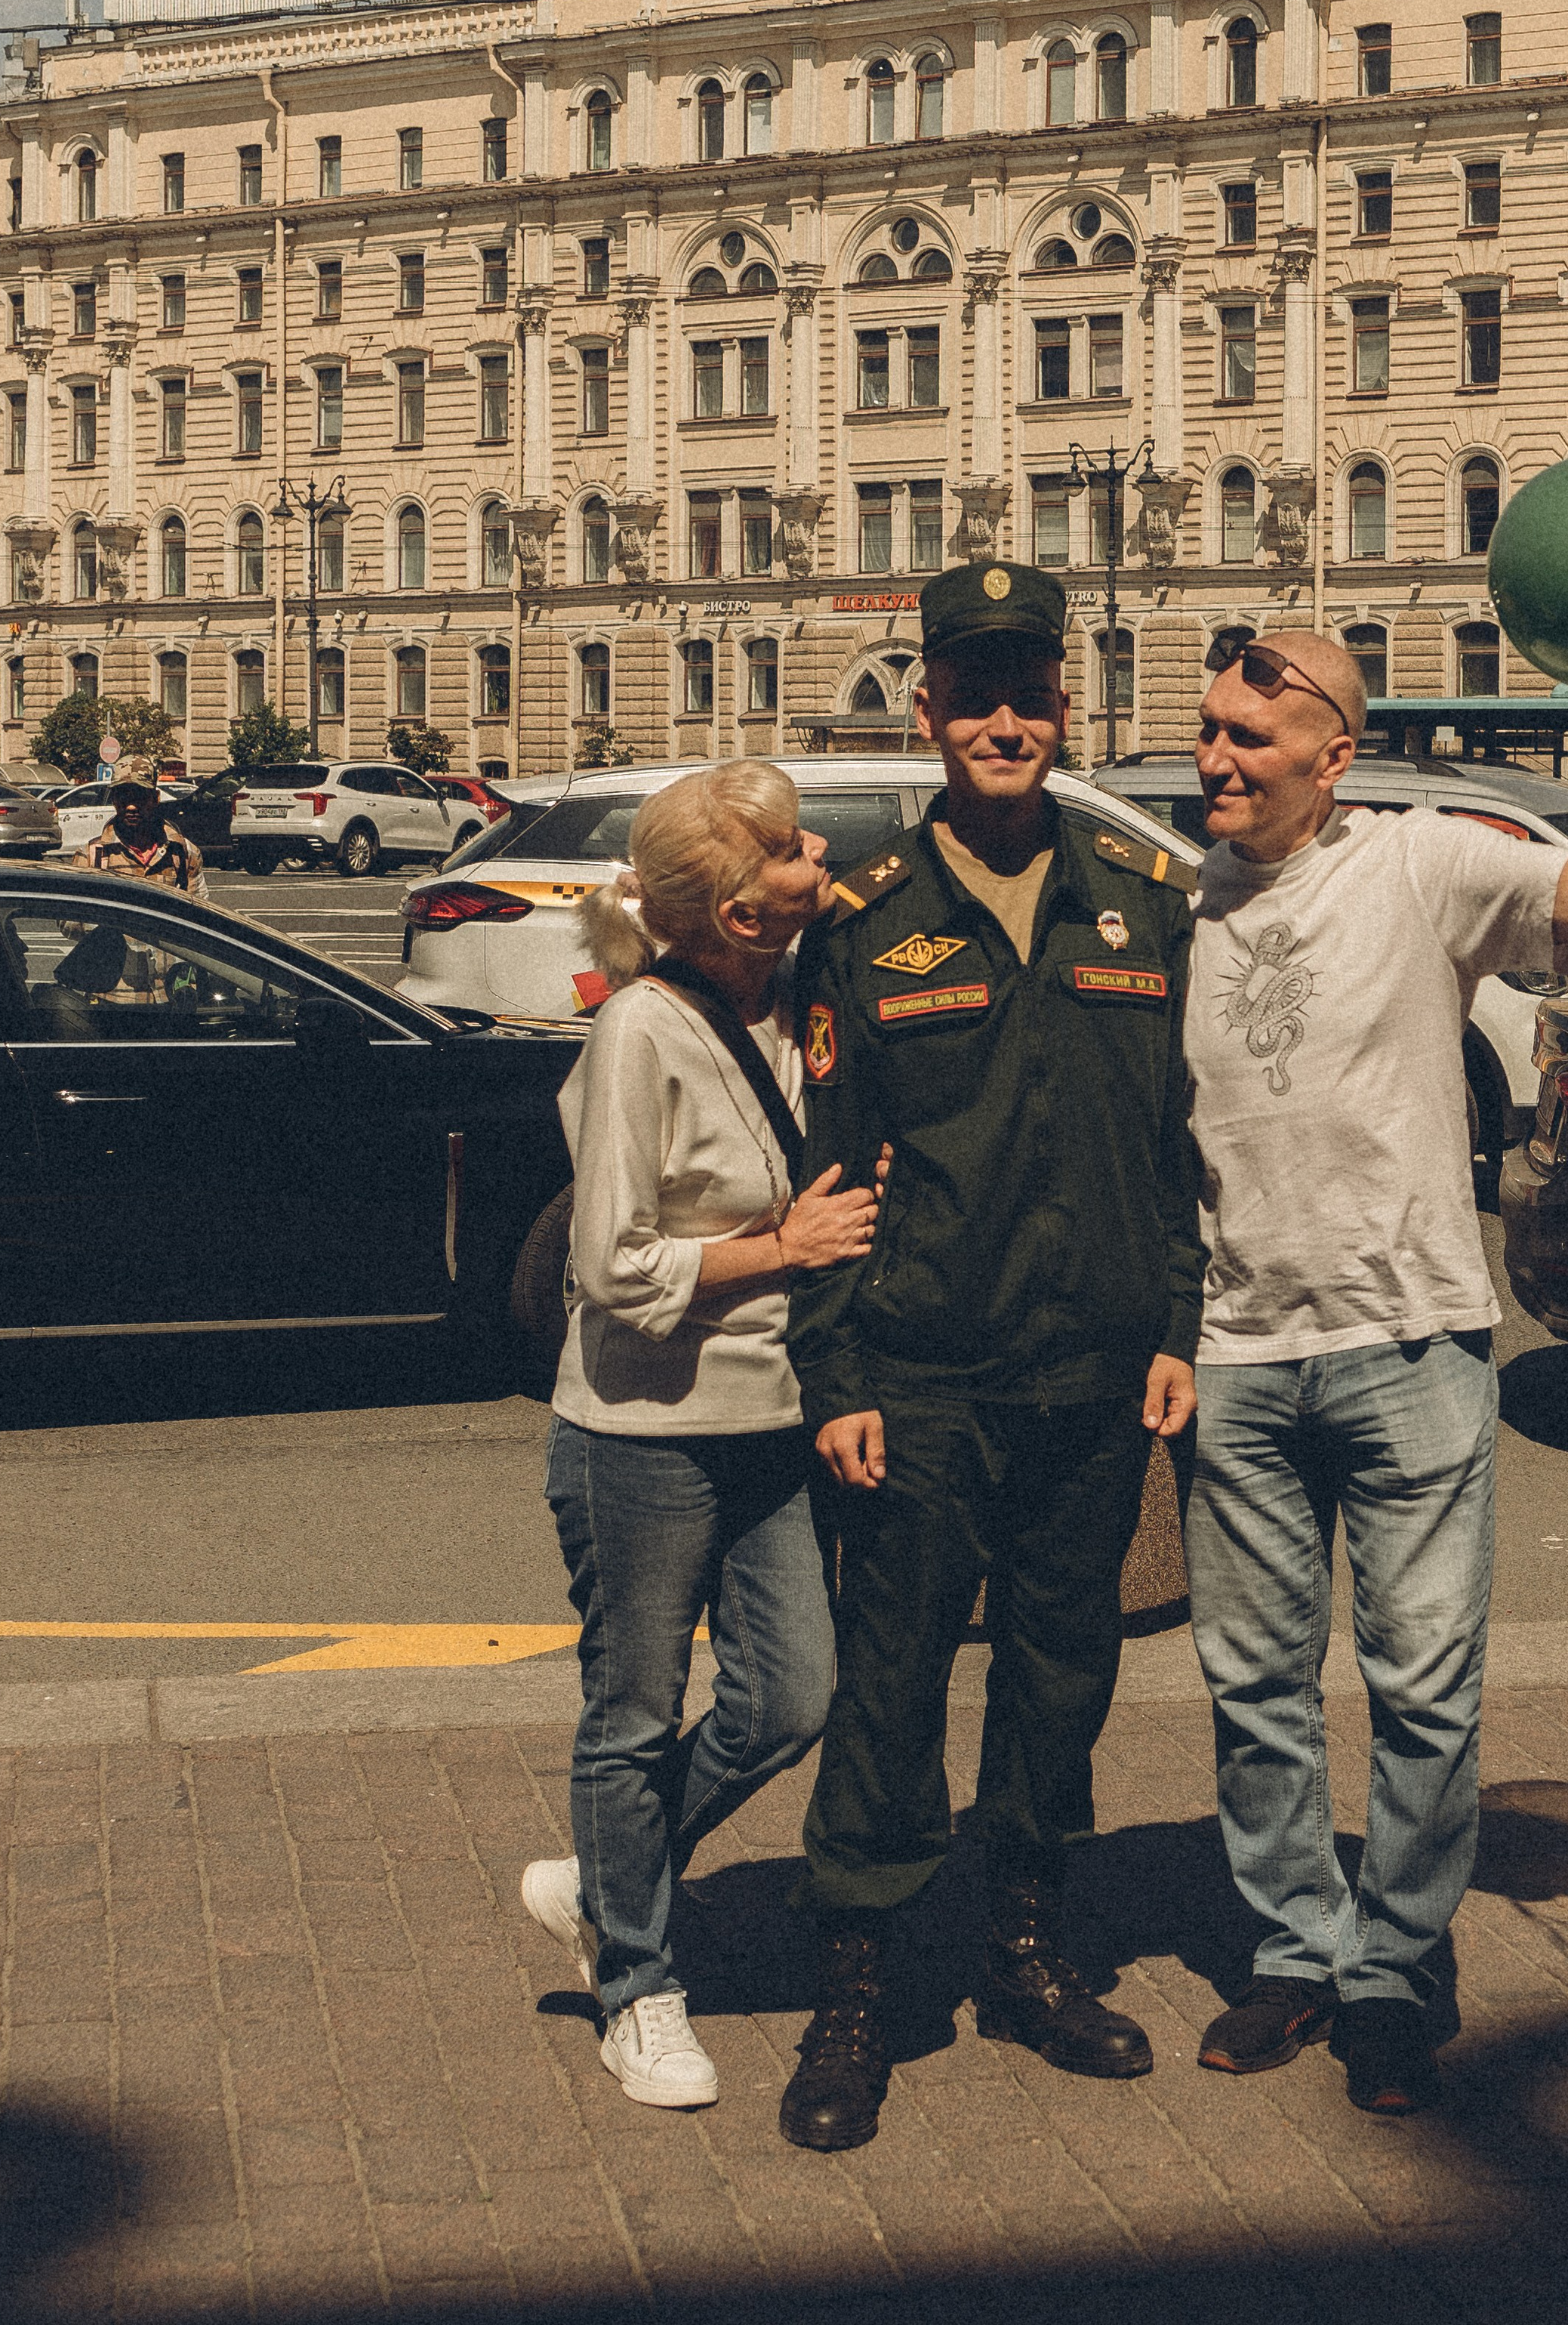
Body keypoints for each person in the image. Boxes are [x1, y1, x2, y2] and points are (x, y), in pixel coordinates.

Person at [1178, 589, 1568, 2117]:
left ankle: (1392, 1962)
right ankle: (1290, 1948)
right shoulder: (1174, 901)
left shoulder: (1418, 863)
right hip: (1239, 1355)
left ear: (1328, 760)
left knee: (1421, 1687)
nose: (1211, 758)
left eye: (1245, 737)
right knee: (1254, 1684)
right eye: (1203, 730)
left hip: (1408, 1342)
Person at [776, 558, 1204, 2154]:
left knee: (1058, 1680)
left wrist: (1175, 1324)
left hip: (1093, 1377)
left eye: (1030, 691)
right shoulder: (868, 922)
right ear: (931, 706)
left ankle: (1026, 1954)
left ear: (1065, 705)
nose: (1003, 720)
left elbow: (1172, 1149)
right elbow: (828, 1174)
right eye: (973, 692)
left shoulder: (1137, 897)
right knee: (886, 1693)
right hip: (923, 1377)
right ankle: (859, 1994)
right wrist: (837, 1379)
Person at [520, 762, 886, 2111]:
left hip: (772, 1414)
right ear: (738, 909)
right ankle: (638, 1989)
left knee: (793, 1693)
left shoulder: (801, 1003)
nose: (819, 862)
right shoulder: (641, 1033)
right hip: (639, 1429)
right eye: (793, 853)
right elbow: (611, 1264)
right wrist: (780, 1247)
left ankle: (608, 1879)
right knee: (631, 1712)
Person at [77, 775, 208, 893]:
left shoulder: (184, 852)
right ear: (114, 800)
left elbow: (197, 913)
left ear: (156, 798)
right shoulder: (92, 856)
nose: (131, 807)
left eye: (139, 796)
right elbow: (77, 915)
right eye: (123, 797)